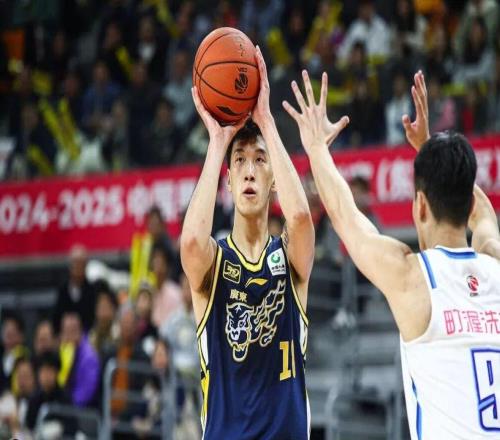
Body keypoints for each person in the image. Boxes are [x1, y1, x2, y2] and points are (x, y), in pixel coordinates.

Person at [283, 68, 500, 438]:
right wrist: (432, 153)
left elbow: (346, 217)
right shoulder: (493, 262)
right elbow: (483, 215)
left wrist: (316, 146)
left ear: (420, 206)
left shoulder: (413, 279)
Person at [181, 45, 314, 439]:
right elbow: (191, 243)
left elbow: (300, 219)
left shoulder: (289, 257)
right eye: (240, 161)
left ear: (274, 180)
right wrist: (218, 144)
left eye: (260, 160)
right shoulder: (215, 261)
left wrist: (266, 122)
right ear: (228, 181)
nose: (250, 171)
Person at [53, 245, 96, 333]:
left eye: (81, 264)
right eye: (75, 263)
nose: (78, 267)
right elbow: (57, 317)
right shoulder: (63, 290)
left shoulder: (92, 290)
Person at [59, 313, 100, 407]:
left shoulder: (89, 357)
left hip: (83, 410)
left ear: (78, 331)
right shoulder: (64, 351)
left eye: (70, 331)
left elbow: (85, 394)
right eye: (65, 332)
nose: (66, 337)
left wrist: (68, 405)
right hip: (66, 405)